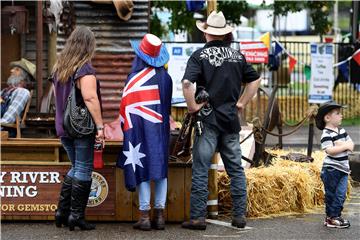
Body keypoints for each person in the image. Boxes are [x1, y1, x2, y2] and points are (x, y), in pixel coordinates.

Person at [181, 11, 261, 230]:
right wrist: (242, 102)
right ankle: (239, 217)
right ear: (225, 34)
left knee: (201, 169)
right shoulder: (238, 56)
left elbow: (187, 84)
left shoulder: (199, 56)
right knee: (236, 170)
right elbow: (255, 80)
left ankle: (197, 218)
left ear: (206, 34)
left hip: (207, 121)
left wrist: (192, 107)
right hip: (230, 121)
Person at [116, 33, 172, 231]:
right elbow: (166, 109)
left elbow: (124, 111)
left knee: (141, 167)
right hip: (160, 131)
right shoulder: (166, 78)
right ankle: (160, 216)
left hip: (138, 131)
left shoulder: (132, 79)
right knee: (160, 169)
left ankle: (144, 216)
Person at [52, 26, 104, 231]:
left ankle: (62, 212)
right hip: (81, 127)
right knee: (83, 168)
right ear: (88, 45)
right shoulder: (84, 69)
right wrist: (100, 127)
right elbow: (90, 98)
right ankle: (76, 216)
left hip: (63, 127)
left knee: (76, 166)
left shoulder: (59, 67)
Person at [315, 101, 354, 228]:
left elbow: (351, 145)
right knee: (332, 194)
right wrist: (344, 146)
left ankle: (335, 216)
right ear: (327, 118)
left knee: (341, 194)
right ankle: (331, 218)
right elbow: (330, 151)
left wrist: (341, 145)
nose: (341, 115)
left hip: (343, 169)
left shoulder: (341, 131)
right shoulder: (326, 134)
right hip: (331, 169)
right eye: (337, 113)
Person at [1, 58, 35, 136]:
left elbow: (7, 119)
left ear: (23, 76)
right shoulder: (4, 91)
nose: (11, 71)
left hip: (5, 132)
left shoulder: (22, 92)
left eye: (16, 69)